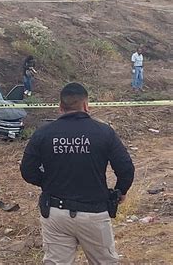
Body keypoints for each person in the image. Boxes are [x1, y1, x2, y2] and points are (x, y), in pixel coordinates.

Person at [20, 82, 135, 264]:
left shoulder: (43, 134)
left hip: (56, 212)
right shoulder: (104, 132)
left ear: (60, 107)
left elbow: (27, 170)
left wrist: (48, 182)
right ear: (86, 105)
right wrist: (120, 191)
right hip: (94, 213)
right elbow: (126, 168)